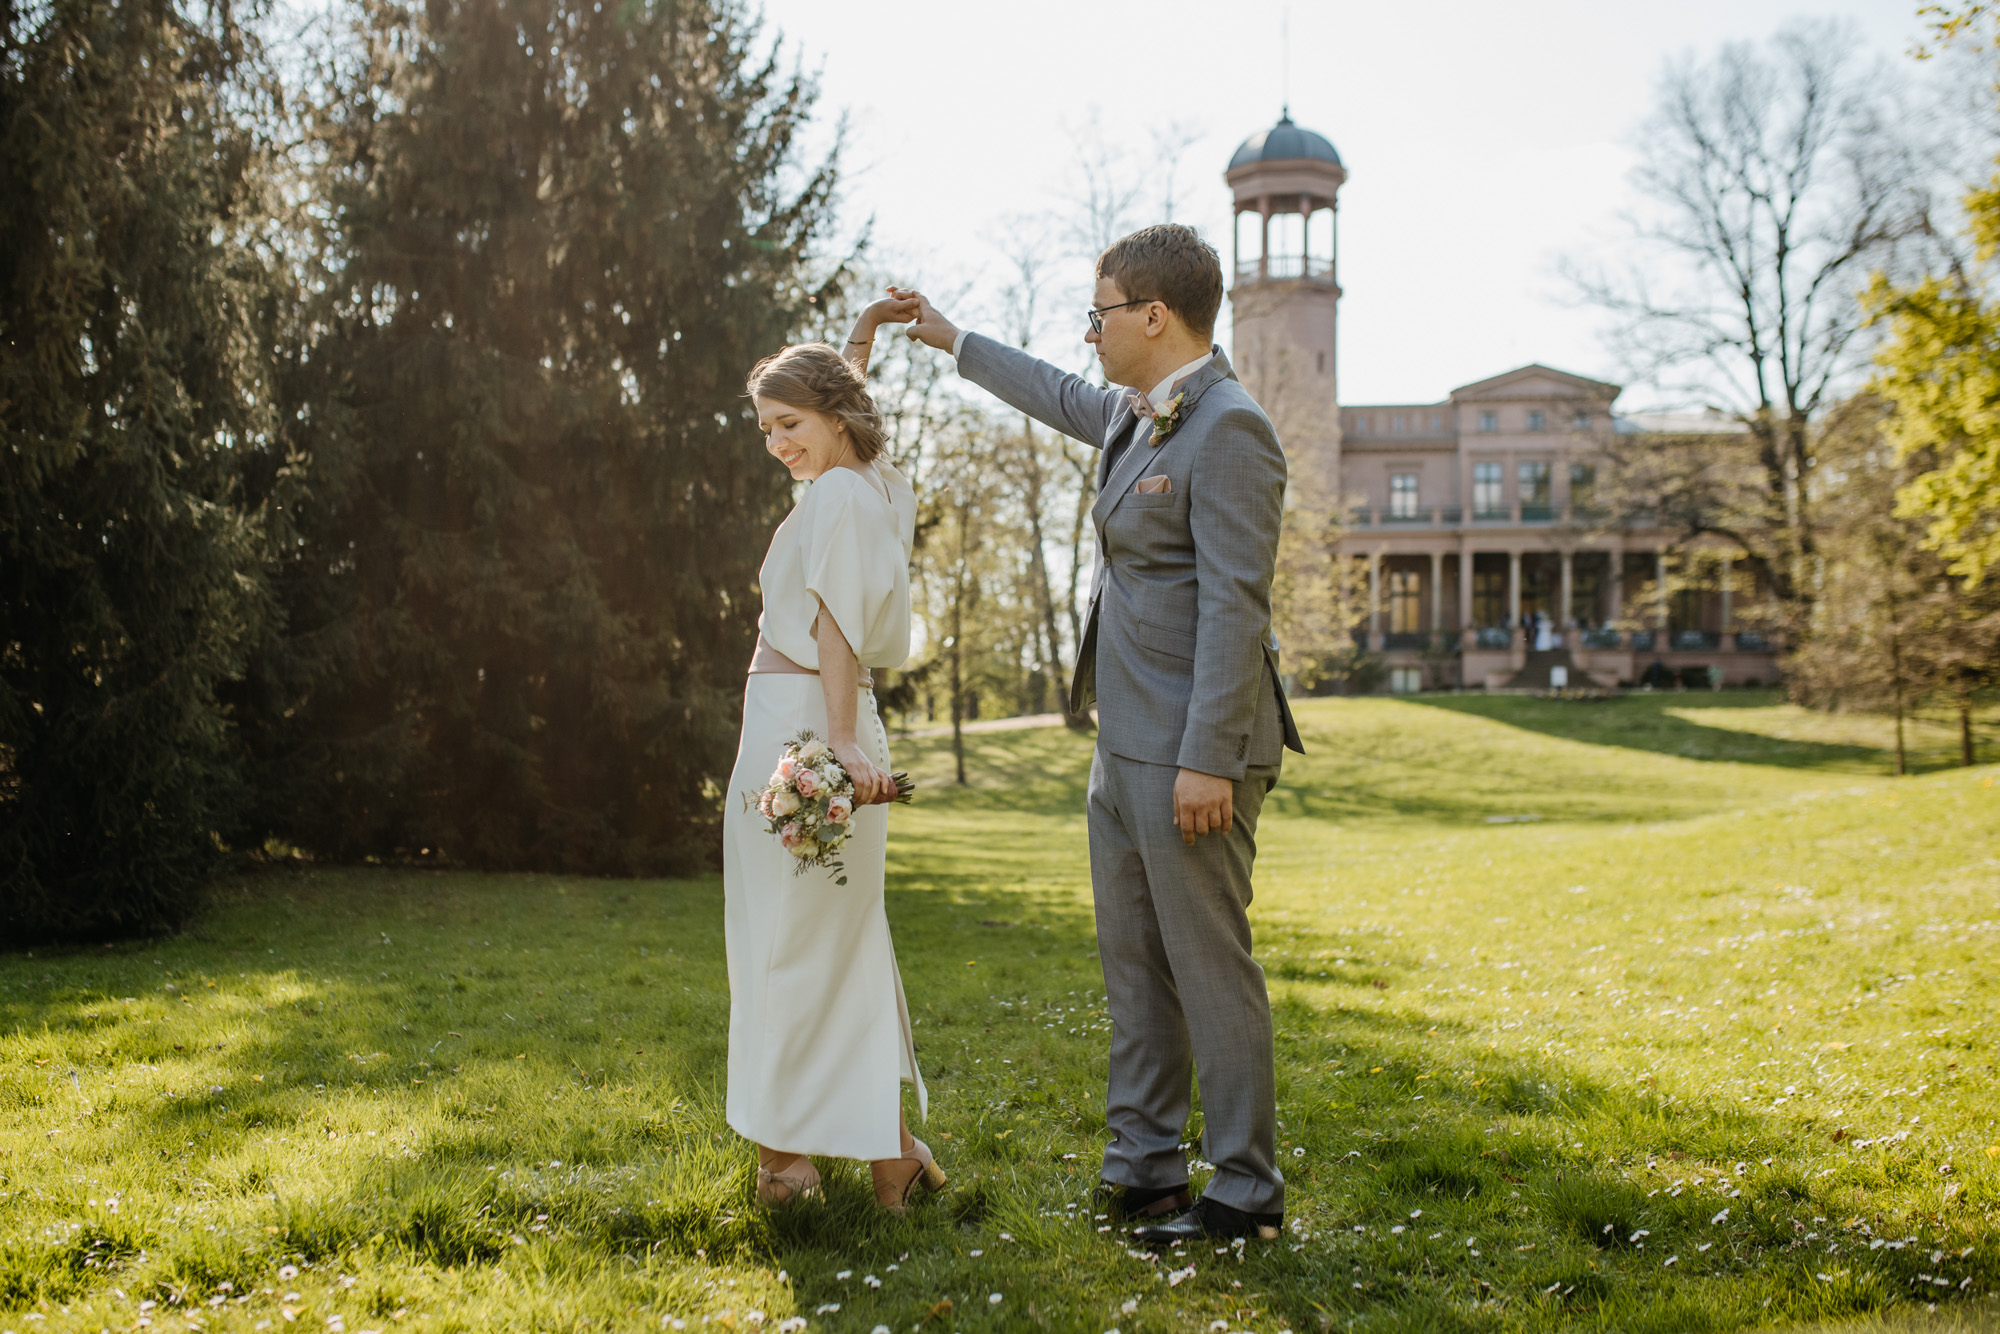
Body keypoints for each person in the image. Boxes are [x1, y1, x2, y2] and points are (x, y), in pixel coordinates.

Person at [896, 222, 1305, 1245]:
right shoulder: (1135, 415)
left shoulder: (1230, 427)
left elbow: (1234, 604)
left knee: (1207, 968)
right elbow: (1054, 391)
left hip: (1192, 755)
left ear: (1153, 316)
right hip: (1120, 747)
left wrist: (1207, 756)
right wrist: (951, 339)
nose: (1088, 333)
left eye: (1099, 312)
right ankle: (1144, 1167)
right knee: (1133, 963)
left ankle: (1245, 1190)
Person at [722, 299, 947, 1214]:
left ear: (832, 417)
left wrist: (842, 743)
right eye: (767, 429)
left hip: (806, 725)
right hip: (813, 718)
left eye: (790, 424)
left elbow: (834, 622)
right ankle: (889, 1152)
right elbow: (847, 419)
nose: (778, 444)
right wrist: (860, 331)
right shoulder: (870, 487)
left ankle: (790, 1157)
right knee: (828, 943)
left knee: (785, 944)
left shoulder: (845, 497)